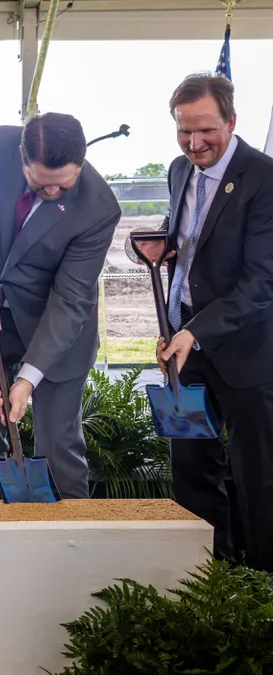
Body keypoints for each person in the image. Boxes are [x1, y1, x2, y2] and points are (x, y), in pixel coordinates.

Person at [0, 112, 121, 501]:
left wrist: (26, 380)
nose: (52, 191)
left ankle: (67, 548)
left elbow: (70, 298)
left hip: (57, 329)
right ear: (22, 160)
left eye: (62, 183)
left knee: (58, 445)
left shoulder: (100, 207)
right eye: (40, 183)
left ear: (81, 163)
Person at [134, 73, 273, 572]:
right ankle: (206, 576)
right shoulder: (178, 170)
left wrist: (196, 331)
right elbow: (195, 241)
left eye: (206, 131)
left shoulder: (265, 178)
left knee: (258, 475)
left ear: (232, 122)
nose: (194, 144)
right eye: (183, 132)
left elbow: (262, 281)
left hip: (246, 355)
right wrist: (165, 246)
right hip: (184, 348)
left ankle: (261, 587)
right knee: (191, 467)